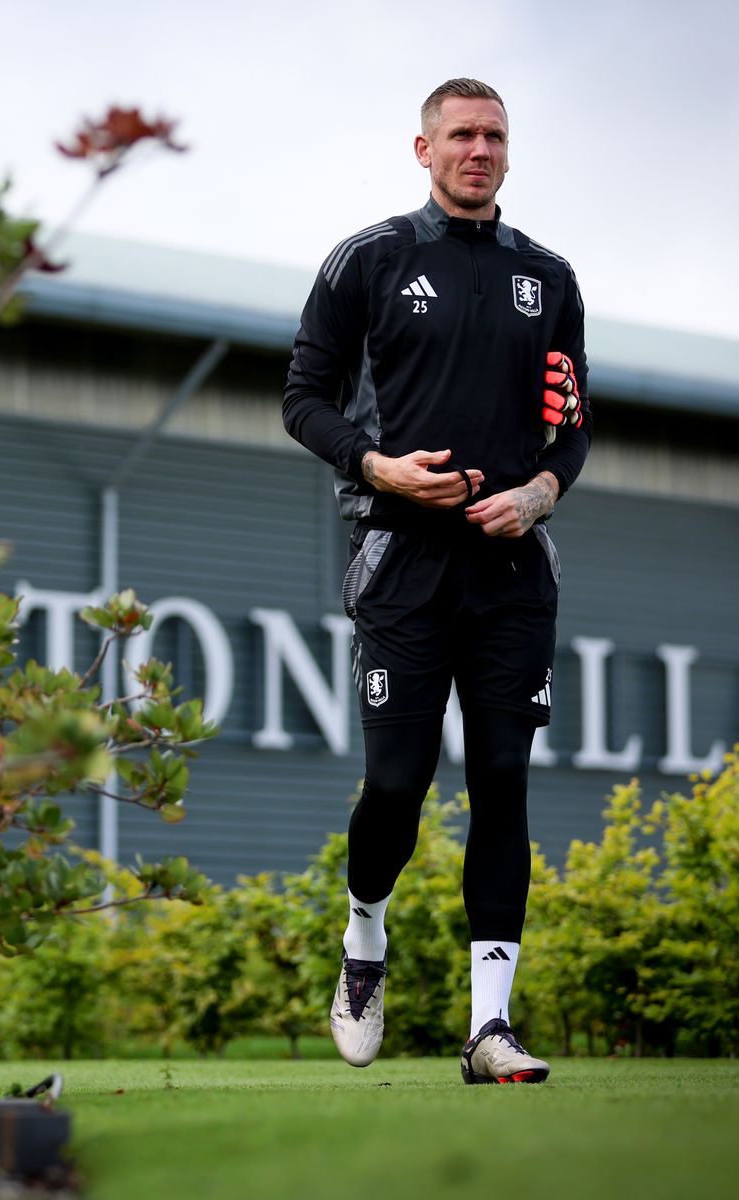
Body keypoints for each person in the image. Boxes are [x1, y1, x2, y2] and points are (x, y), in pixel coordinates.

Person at [281, 77, 590, 1083]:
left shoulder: (547, 278)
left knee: (502, 780)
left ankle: (488, 1029)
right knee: (399, 790)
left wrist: (541, 491)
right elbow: (302, 399)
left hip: (510, 571)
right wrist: (379, 469)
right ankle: (364, 932)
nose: (479, 150)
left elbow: (572, 423)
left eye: (495, 135)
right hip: (400, 565)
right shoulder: (368, 261)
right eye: (460, 135)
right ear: (423, 151)